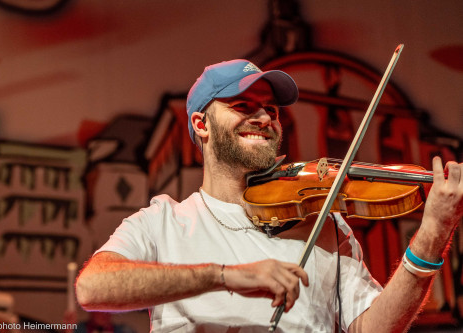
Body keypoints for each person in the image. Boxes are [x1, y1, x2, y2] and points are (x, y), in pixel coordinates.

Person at [75, 59, 463, 332]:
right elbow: (92, 288)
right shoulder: (165, 221)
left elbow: (371, 329)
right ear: (201, 124)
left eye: (272, 110)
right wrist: (224, 276)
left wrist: (433, 233)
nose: (265, 118)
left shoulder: (323, 222)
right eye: (243, 106)